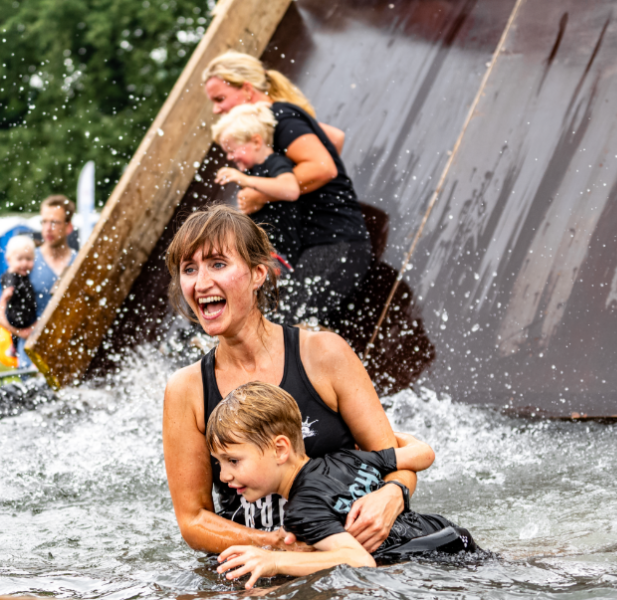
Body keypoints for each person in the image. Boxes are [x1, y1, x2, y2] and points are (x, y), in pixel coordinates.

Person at [163, 205, 418, 555]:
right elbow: (193, 520)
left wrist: (393, 496)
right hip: (256, 565)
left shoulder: (324, 354)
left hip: (356, 553)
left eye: (218, 264)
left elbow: (395, 462)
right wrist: (276, 546)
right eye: (189, 269)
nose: (201, 282)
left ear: (258, 274)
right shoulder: (186, 389)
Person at [210, 382, 479, 589]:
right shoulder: (345, 458)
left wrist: (273, 561)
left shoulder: (302, 509)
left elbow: (359, 561)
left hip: (436, 562)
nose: (223, 476)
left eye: (233, 460)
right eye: (219, 463)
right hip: (450, 535)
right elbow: (424, 454)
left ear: (281, 449)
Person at [203, 51, 373, 324]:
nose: (215, 109)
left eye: (220, 99)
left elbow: (324, 166)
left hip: (334, 242)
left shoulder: (280, 117)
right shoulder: (274, 123)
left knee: (282, 330)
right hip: (315, 248)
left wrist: (261, 194)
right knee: (276, 327)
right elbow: (334, 139)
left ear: (247, 91)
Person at [212, 102, 301, 266]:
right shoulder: (249, 173)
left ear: (256, 142)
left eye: (232, 150)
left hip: (291, 251)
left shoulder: (274, 162)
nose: (230, 157)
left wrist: (246, 181)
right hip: (272, 253)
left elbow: (291, 189)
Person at [0, 236, 37, 368]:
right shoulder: (11, 275)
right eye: (20, 259)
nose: (24, 263)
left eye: (28, 259)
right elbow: (8, 281)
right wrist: (7, 293)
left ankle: (15, 348)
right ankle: (14, 348)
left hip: (27, 313)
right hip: (16, 315)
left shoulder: (26, 275)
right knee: (17, 326)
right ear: (9, 260)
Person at [32, 195, 78, 316]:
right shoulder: (26, 262)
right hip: (34, 335)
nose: (48, 228)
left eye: (54, 222)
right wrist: (24, 332)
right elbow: (0, 314)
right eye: (44, 222)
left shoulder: (79, 263)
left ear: (68, 227)